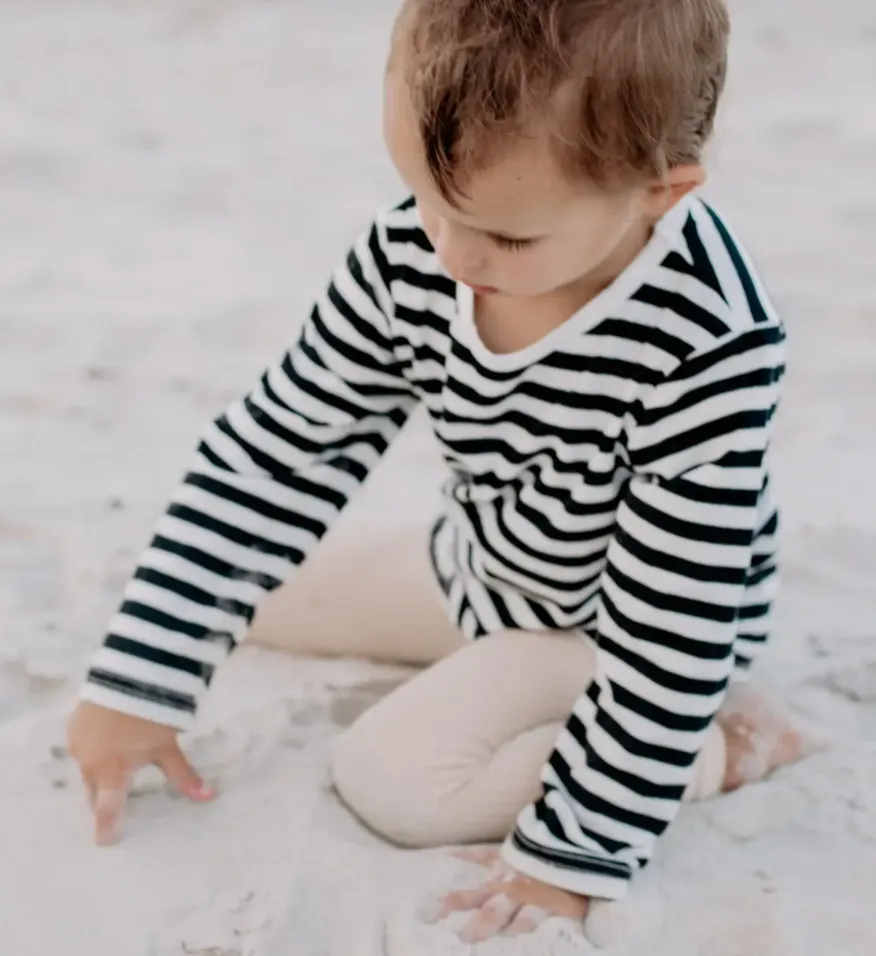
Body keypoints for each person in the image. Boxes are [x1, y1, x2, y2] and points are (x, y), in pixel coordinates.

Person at [67, 0, 817, 942]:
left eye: (508, 239)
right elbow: (277, 452)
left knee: (390, 781)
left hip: (621, 630)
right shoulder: (416, 252)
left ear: (660, 191)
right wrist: (137, 685)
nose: (455, 257)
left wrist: (567, 858)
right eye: (429, 199)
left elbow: (671, 630)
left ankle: (729, 744)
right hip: (485, 564)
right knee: (247, 594)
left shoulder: (711, 342)